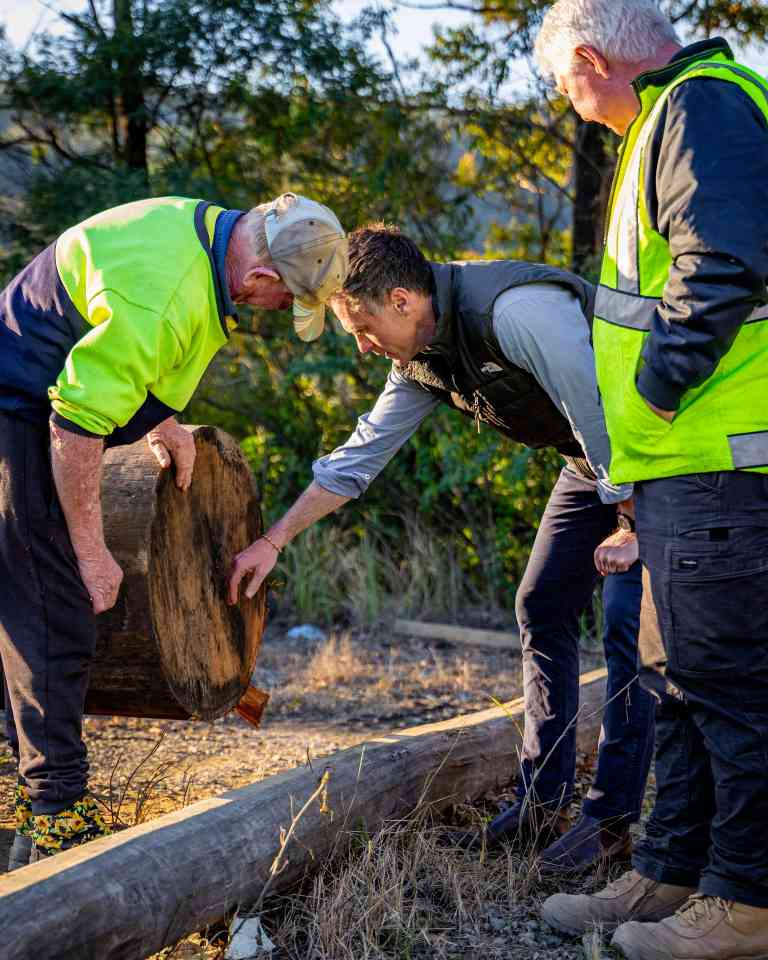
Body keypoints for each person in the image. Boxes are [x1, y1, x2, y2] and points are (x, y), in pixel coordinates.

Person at [228, 223, 655, 876]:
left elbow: (597, 405)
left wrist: (629, 519)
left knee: (631, 625)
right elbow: (357, 459)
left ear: (403, 300)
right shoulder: (420, 360)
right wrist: (273, 540)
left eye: (366, 329)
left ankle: (609, 824)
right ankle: (539, 806)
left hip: (651, 452)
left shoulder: (514, 309)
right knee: (541, 604)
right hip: (589, 462)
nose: (367, 348)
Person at [0, 192, 348, 868]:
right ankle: (54, 818)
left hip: (38, 398)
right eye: (287, 303)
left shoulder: (205, 237)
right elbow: (74, 423)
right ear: (264, 278)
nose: (279, 315)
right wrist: (93, 553)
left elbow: (118, 336)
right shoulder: (164, 299)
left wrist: (159, 419)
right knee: (53, 606)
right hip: (15, 407)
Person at [533, 2, 768, 957]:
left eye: (565, 85)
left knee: (733, 690)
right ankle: (671, 876)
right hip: (683, 474)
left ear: (591, 58)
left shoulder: (701, 107)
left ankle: (747, 905)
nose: (571, 103)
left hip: (720, 461)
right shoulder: (674, 112)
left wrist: (662, 390)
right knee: (677, 687)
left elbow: (724, 265)